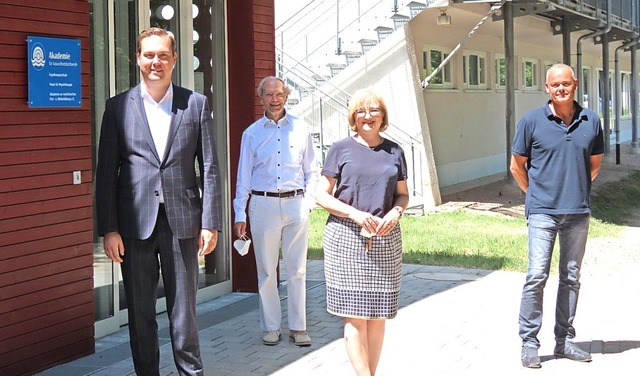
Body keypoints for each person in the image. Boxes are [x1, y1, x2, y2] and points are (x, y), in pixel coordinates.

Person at [95, 27, 222, 376]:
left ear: (174, 59)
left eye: (163, 55)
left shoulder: (194, 104)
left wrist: (211, 222)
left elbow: (210, 167)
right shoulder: (118, 107)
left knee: (185, 314)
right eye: (149, 55)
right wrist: (109, 229)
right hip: (134, 225)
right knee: (139, 313)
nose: (156, 62)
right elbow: (106, 172)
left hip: (183, 222)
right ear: (138, 59)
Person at [511, 63, 604, 369]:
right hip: (542, 213)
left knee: (571, 277)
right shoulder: (531, 121)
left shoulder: (591, 120)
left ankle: (564, 341)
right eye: (555, 85)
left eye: (566, 83)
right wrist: (536, 195)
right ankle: (529, 343)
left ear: (575, 84)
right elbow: (517, 166)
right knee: (537, 275)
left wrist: (574, 190)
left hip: (578, 212)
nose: (561, 88)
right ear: (547, 88)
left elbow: (594, 164)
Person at [316, 88, 409, 376]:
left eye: (373, 111)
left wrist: (396, 212)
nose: (367, 116)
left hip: (385, 237)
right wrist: (354, 214)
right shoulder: (340, 149)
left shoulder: (395, 151)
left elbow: (402, 195)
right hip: (345, 236)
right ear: (353, 117)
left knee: (378, 315)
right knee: (355, 316)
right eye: (361, 111)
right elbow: (321, 195)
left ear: (383, 116)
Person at [233, 76, 319, 347]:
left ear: (286, 96)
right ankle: (271, 327)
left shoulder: (301, 129)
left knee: (297, 270)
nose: (274, 99)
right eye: (268, 95)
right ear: (262, 98)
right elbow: (243, 177)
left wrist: (308, 204)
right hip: (263, 205)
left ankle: (298, 327)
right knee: (268, 271)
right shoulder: (252, 133)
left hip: (296, 204)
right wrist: (240, 214)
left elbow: (312, 171)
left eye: (278, 94)